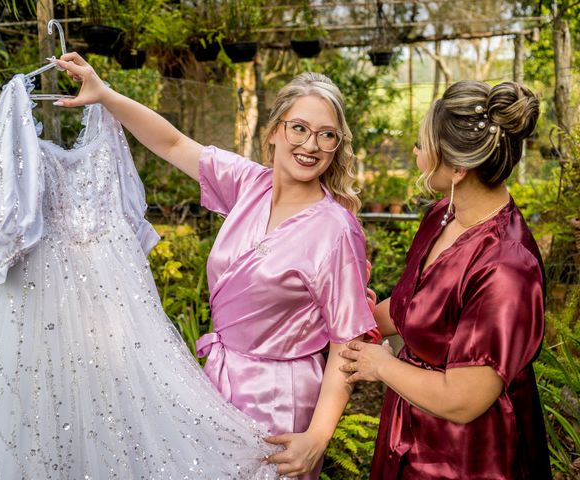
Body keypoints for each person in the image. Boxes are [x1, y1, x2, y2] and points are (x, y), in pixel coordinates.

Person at [54, 54, 379, 478]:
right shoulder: (249, 185)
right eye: (299, 128)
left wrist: (316, 439)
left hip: (281, 396)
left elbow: (345, 344)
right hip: (218, 381)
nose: (310, 144)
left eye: (327, 135)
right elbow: (172, 143)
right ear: (275, 132)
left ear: (337, 146)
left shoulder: (336, 230)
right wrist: (105, 95)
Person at [339, 80, 552, 479]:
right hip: (412, 431)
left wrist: (381, 366)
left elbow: (465, 399)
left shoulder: (507, 267)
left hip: (469, 457)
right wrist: (358, 318)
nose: (417, 152)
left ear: (458, 167)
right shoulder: (441, 216)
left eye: (424, 145)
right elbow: (413, 307)